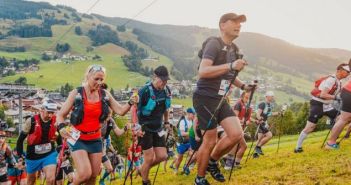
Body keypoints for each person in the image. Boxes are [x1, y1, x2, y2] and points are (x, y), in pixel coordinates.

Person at [193, 12, 252, 185]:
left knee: (236, 134)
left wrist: (243, 86)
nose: (238, 25)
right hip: (205, 97)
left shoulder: (234, 49)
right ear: (222, 25)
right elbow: (203, 71)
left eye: (240, 23)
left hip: (221, 98)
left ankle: (212, 161)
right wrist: (232, 65)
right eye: (234, 21)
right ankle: (200, 178)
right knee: (210, 139)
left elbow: (229, 75)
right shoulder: (214, 43)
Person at [56, 64, 138, 185]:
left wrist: (130, 102)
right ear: (88, 76)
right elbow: (60, 115)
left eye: (101, 79)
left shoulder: (104, 94)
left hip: (95, 139)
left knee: (93, 176)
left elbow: (120, 111)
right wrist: (61, 127)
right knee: (84, 173)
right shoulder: (77, 93)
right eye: (96, 79)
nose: (99, 82)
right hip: (77, 138)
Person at [295, 63, 350, 152]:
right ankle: (298, 147)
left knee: (342, 118)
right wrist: (336, 98)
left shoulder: (339, 82)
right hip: (317, 104)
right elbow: (323, 94)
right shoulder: (331, 80)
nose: (348, 73)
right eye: (347, 71)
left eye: (349, 72)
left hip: (327, 105)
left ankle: (332, 140)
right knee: (310, 127)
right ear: (339, 70)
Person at [137, 65, 171, 185]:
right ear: (155, 77)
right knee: (149, 158)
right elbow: (134, 109)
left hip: (158, 128)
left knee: (163, 156)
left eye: (166, 80)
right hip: (145, 128)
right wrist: (136, 127)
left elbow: (166, 108)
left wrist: (166, 122)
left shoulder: (166, 90)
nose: (164, 83)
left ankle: (142, 169)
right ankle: (145, 181)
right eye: (162, 80)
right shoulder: (144, 91)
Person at [16, 101, 59, 185]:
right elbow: (20, 140)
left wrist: (60, 146)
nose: (50, 115)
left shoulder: (55, 120)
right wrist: (20, 156)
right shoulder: (31, 121)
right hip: (33, 156)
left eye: (52, 113)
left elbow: (58, 135)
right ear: (42, 110)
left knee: (51, 179)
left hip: (49, 154)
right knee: (31, 181)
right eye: (48, 112)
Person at [223, 91, 252, 169]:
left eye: (248, 98)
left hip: (239, 129)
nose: (247, 99)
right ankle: (230, 164)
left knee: (241, 146)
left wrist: (249, 120)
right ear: (242, 96)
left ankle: (231, 161)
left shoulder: (244, 105)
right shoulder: (238, 104)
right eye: (246, 97)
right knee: (242, 146)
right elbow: (235, 117)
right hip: (234, 128)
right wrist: (245, 121)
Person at [326, 61, 351, 149]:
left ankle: (332, 140)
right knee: (345, 118)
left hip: (347, 91)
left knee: (344, 118)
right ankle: (330, 143)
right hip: (349, 92)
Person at [253, 91, 279, 158]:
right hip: (260, 122)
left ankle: (255, 154)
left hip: (264, 122)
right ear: (267, 96)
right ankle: (258, 147)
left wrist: (278, 113)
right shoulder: (263, 104)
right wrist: (260, 120)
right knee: (269, 135)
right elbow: (258, 114)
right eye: (271, 96)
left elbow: (269, 114)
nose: (272, 97)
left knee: (260, 139)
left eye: (272, 96)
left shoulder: (269, 105)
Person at [173, 108, 195, 174]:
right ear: (188, 114)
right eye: (192, 114)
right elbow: (182, 133)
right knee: (180, 158)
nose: (194, 115)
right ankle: (176, 169)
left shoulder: (192, 121)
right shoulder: (183, 121)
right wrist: (192, 132)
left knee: (192, 154)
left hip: (189, 142)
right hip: (182, 142)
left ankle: (186, 168)